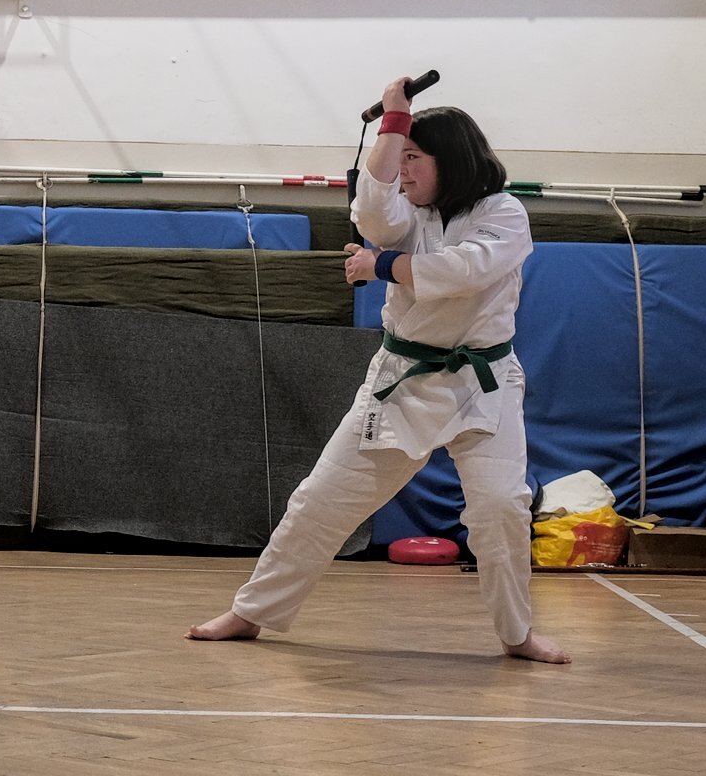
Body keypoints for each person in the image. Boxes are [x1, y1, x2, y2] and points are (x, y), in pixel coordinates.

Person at [187, 76, 570, 664]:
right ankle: (252, 612)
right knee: (320, 500)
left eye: (416, 158)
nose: (405, 171)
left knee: (501, 509)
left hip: (482, 384)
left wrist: (381, 266)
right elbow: (371, 207)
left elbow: (465, 270)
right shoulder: (404, 216)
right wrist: (393, 120)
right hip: (403, 378)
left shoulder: (503, 213)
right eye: (402, 158)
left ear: (453, 159)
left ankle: (516, 633)